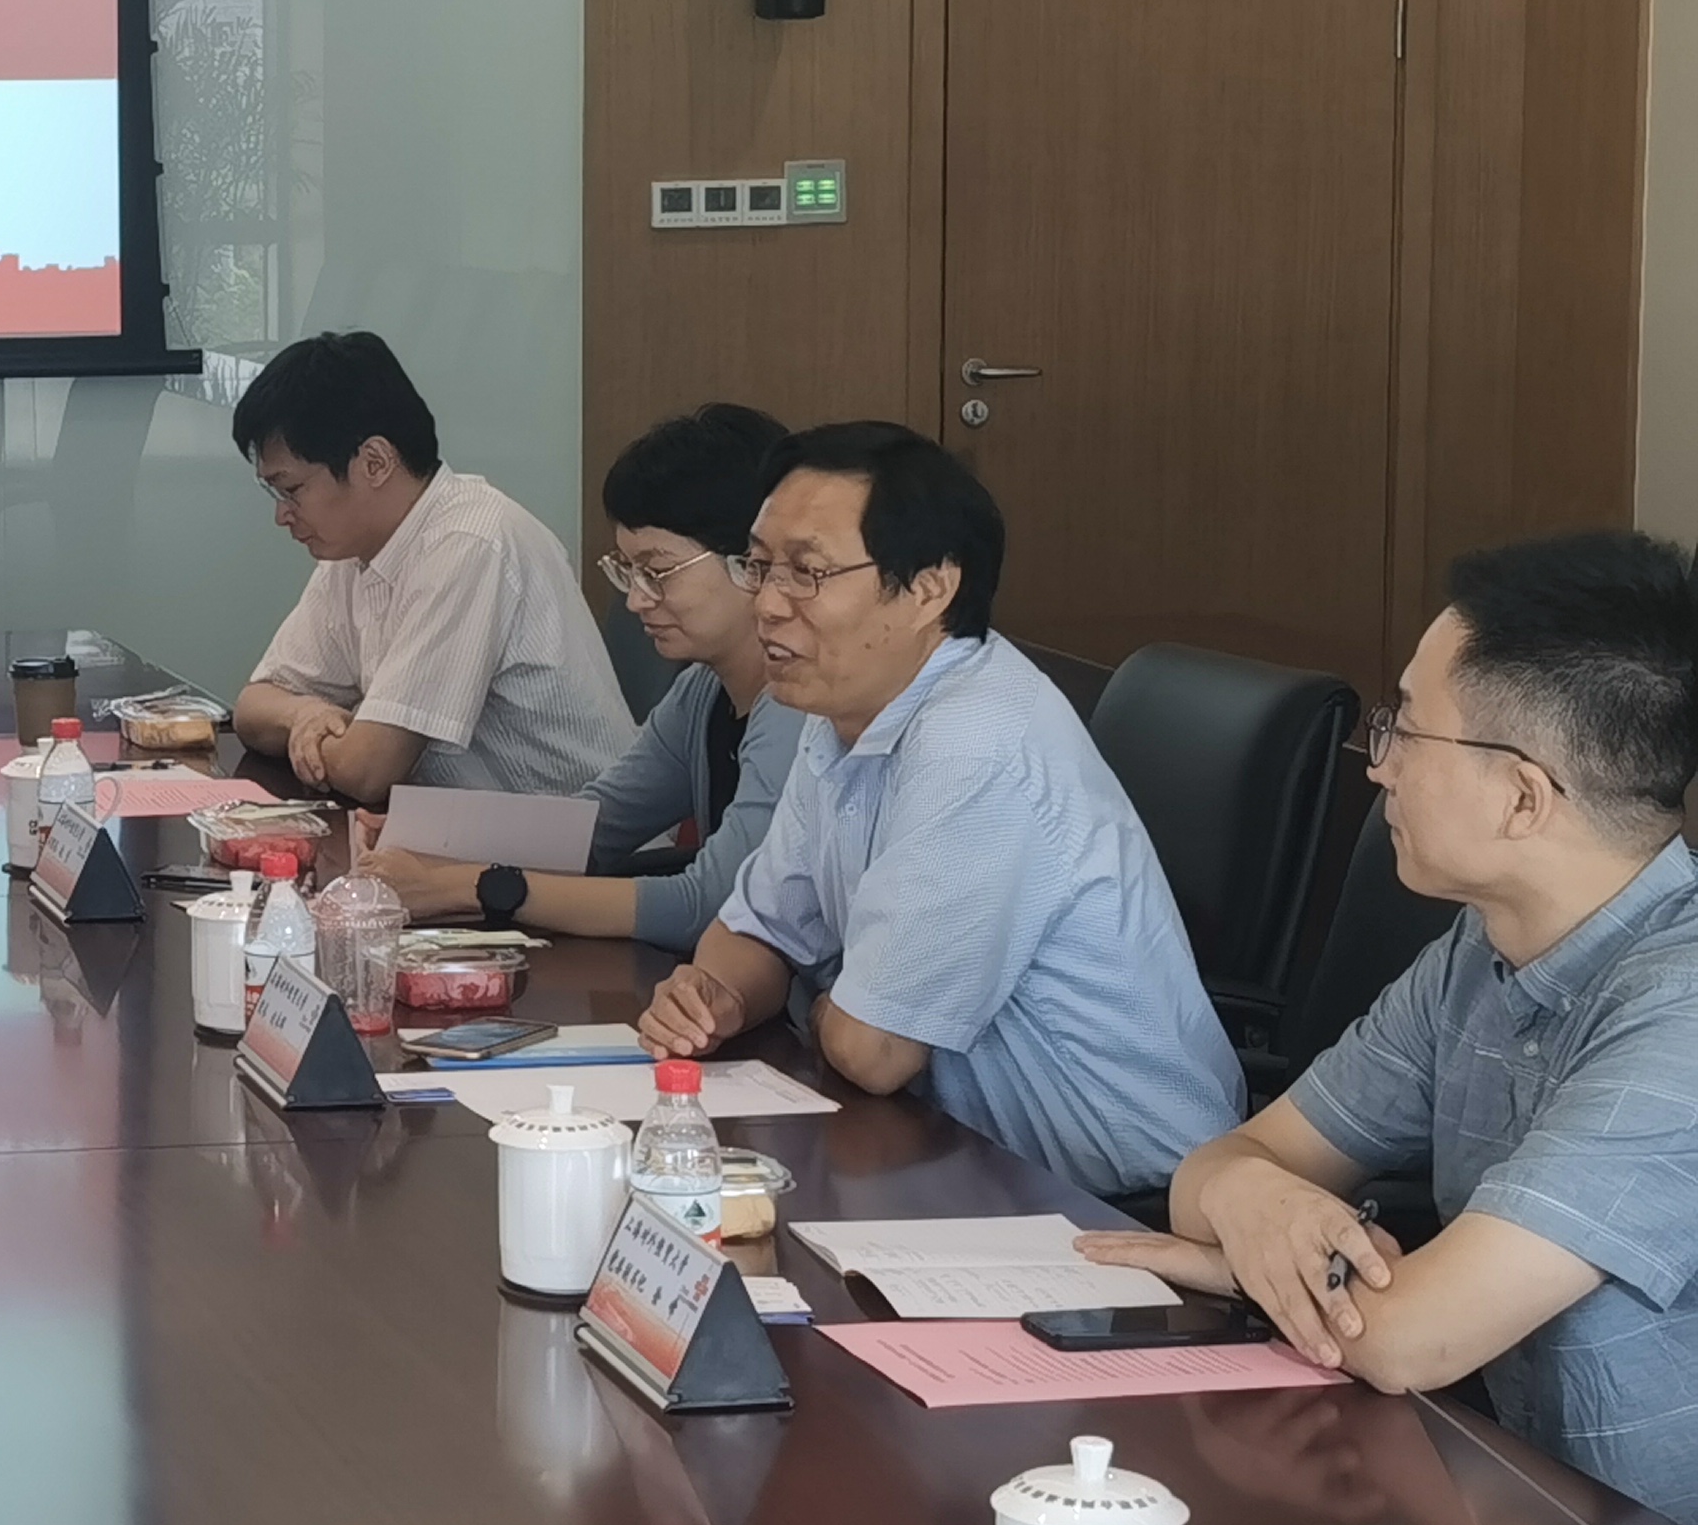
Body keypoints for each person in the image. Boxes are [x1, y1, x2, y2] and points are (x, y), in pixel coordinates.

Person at [1082, 532, 1698, 1525]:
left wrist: (1256, 1261)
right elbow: (1219, 1169)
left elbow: (1412, 1338)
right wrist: (1249, 1199)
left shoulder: (1682, 1013)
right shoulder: (1480, 949)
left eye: (1406, 729)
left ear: (1523, 797)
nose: (1379, 768)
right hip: (1523, 1506)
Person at [633, 422, 1241, 1199]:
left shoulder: (977, 746)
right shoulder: (842, 706)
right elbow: (756, 929)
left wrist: (814, 998)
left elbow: (873, 1052)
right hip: (952, 1152)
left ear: (929, 588)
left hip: (1115, 1196)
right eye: (759, 566)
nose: (769, 604)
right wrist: (711, 998)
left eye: (808, 573)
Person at [365, 404, 802, 951]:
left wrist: (466, 886)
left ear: (751, 561)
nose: (637, 600)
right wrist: (424, 839)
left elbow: (710, 903)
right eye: (629, 572)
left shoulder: (797, 708)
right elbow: (590, 826)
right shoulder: (703, 690)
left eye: (658, 572)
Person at [225, 331, 631, 807]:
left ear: (374, 462)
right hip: (465, 833)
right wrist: (305, 714)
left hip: (584, 840)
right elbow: (253, 707)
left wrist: (320, 738)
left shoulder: (469, 543)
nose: (282, 515)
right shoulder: (354, 551)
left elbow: (368, 770)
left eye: (291, 490)